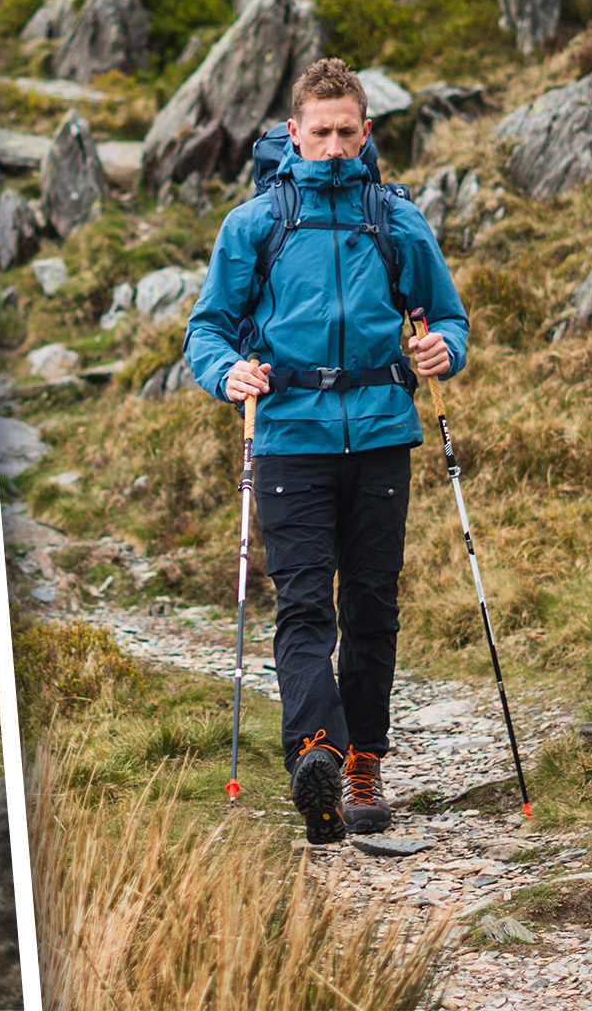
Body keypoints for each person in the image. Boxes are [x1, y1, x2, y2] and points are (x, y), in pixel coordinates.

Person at [182, 58, 469, 844]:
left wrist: (445, 348)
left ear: (366, 132)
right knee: (305, 604)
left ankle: (364, 765)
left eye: (348, 132)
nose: (335, 146)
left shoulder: (397, 219)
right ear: (294, 136)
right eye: (321, 133)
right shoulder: (254, 225)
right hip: (288, 440)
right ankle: (318, 754)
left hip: (381, 436)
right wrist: (225, 371)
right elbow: (206, 329)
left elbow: (446, 317)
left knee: (371, 607)